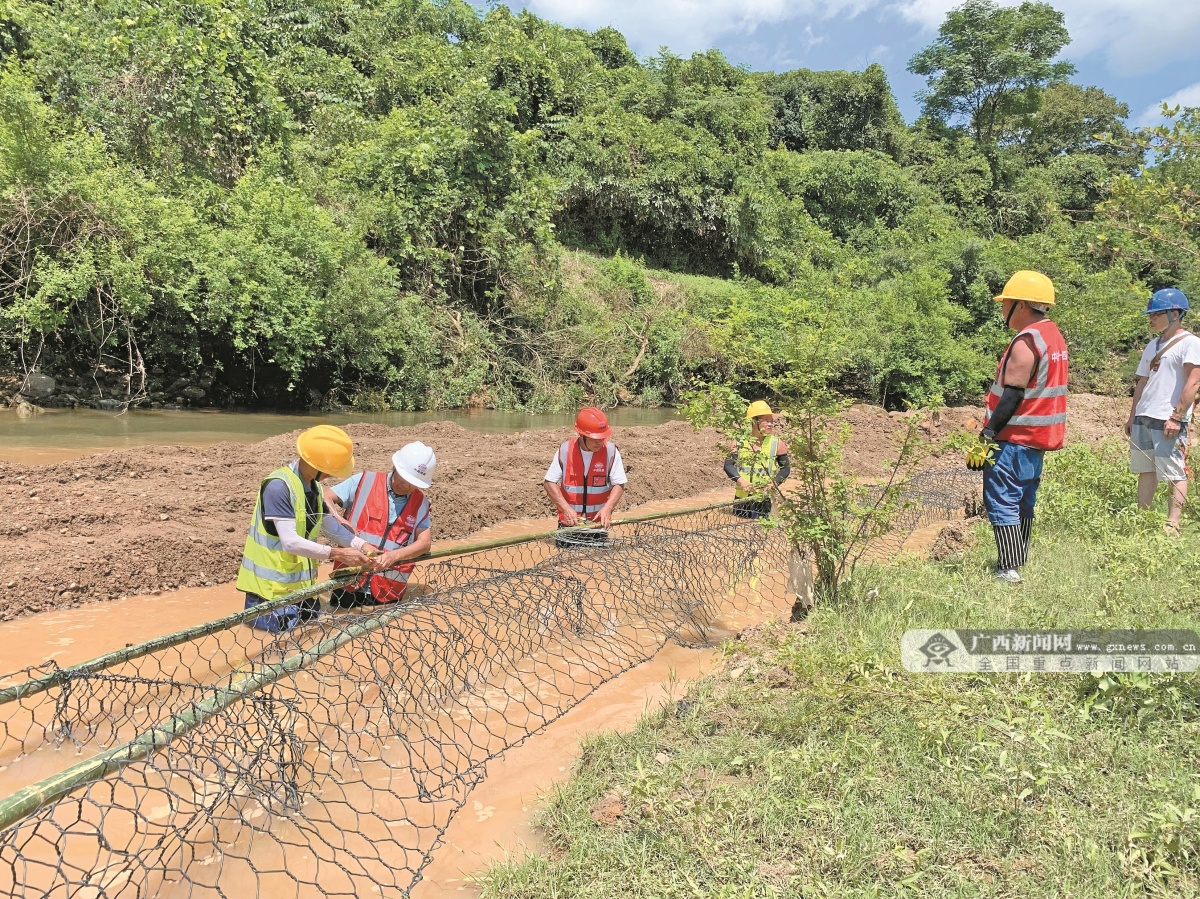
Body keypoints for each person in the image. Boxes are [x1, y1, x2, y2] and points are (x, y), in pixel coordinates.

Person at [967, 270, 1069, 584]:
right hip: (1036, 438)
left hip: (1013, 437)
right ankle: (1017, 559)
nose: (1001, 309)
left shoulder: (1026, 342)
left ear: (1021, 305)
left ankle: (1008, 570)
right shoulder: (1053, 335)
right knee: (1023, 498)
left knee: (1002, 498)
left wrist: (984, 438)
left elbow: (1012, 395)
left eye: (1005, 303)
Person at [236, 425, 375, 631]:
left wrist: (362, 545)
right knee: (275, 651)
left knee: (309, 635)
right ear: (316, 464)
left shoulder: (315, 487)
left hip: (302, 589)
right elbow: (290, 542)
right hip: (270, 593)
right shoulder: (278, 487)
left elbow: (331, 528)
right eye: (331, 469)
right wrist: (338, 554)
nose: (332, 474)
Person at [1124, 288, 1200, 535]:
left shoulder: (1191, 343)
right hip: (1145, 415)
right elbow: (1142, 382)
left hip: (1167, 417)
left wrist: (1177, 417)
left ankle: (1173, 524)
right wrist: (1132, 415)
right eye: (1151, 314)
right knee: (1145, 469)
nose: (1151, 318)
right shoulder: (1153, 344)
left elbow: (1194, 383)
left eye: (1157, 313)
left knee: (1174, 470)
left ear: (1175, 313)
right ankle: (1142, 521)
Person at [324, 442, 436, 606]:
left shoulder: (421, 503)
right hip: (348, 584)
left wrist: (393, 556)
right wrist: (339, 519)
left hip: (388, 592)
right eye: (404, 479)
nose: (406, 485)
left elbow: (425, 544)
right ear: (394, 467)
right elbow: (325, 498)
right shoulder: (364, 481)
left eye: (414, 483)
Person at [544, 407, 627, 545]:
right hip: (569, 527)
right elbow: (549, 483)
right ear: (581, 434)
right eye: (595, 438)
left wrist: (608, 508)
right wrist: (565, 508)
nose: (599, 442)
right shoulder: (565, 450)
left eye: (602, 438)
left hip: (597, 527)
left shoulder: (611, 452)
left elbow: (619, 483)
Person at [724, 400, 791, 519]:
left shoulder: (778, 444)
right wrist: (742, 482)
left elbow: (785, 469)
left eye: (772, 421)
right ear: (754, 421)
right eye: (766, 421)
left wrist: (774, 483)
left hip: (764, 499)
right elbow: (728, 466)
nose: (771, 424)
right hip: (741, 500)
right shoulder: (739, 442)